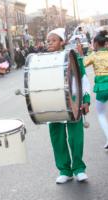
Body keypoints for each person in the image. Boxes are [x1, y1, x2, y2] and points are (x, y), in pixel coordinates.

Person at [46, 28, 90, 184]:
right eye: (48, 41)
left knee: (75, 138)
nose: (49, 43)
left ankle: (79, 169)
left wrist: (85, 98)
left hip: (73, 101)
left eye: (53, 40)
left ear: (62, 42)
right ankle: (64, 170)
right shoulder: (43, 59)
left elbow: (82, 77)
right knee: (57, 138)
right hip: (53, 102)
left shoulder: (73, 57)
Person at [84, 30, 108, 150]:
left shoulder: (94, 55)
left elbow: (82, 64)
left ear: (97, 44)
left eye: (93, 43)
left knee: (101, 114)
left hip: (102, 88)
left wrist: (85, 53)